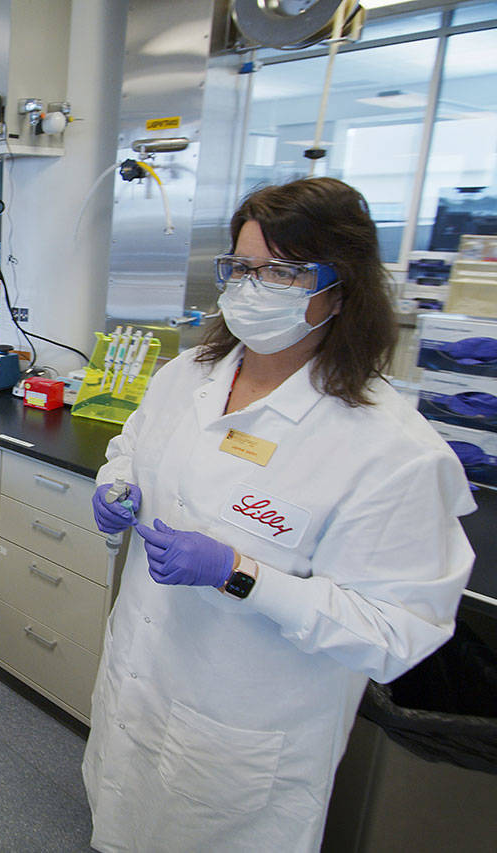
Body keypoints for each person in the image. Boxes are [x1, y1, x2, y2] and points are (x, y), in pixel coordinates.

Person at [81, 177, 475, 852]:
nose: (252, 287)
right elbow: (132, 448)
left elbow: (396, 630)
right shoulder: (188, 376)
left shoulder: (393, 449)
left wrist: (241, 573)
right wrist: (118, 486)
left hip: (244, 740)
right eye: (241, 268)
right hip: (138, 689)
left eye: (283, 271)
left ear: (341, 286)